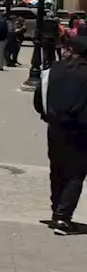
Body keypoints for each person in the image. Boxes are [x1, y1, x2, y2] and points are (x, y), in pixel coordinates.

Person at [34, 33, 87, 233]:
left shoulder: (52, 70)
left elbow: (39, 98)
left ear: (71, 51)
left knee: (57, 170)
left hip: (55, 128)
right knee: (75, 174)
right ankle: (63, 217)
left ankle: (56, 209)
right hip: (81, 130)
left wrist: (47, 114)